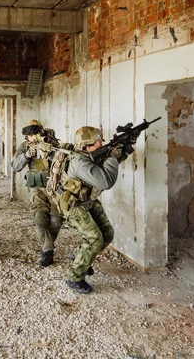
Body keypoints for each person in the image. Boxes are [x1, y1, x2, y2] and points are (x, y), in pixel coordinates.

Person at [55, 126, 128, 294]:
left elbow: (110, 161)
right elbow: (105, 182)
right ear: (87, 147)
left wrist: (124, 148)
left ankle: (80, 256)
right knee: (95, 239)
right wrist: (112, 157)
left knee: (107, 234)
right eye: (98, 142)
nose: (102, 143)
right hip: (74, 205)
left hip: (87, 200)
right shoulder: (80, 162)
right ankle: (74, 277)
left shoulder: (88, 155)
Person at [11, 119, 63, 267]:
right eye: (30, 136)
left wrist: (50, 150)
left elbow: (63, 160)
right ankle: (48, 251)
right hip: (37, 187)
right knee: (40, 219)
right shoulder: (25, 146)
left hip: (54, 186)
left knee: (56, 220)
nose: (33, 138)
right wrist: (27, 155)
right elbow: (15, 166)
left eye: (35, 134)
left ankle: (47, 245)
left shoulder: (51, 143)